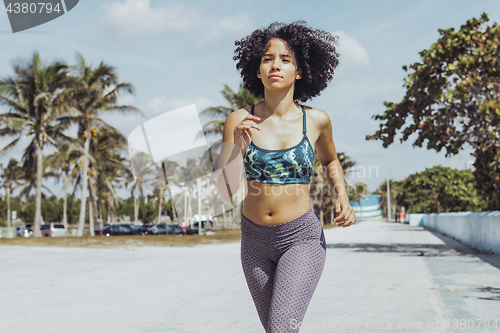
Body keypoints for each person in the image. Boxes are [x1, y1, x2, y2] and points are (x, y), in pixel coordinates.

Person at [217, 21, 355, 332]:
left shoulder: (317, 120)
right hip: (253, 241)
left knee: (282, 327)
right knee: (276, 329)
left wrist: (341, 195)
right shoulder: (238, 120)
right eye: (267, 58)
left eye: (285, 59)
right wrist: (237, 146)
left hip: (300, 237)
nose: (275, 65)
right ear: (256, 69)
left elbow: (330, 160)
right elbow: (225, 190)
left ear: (301, 71)